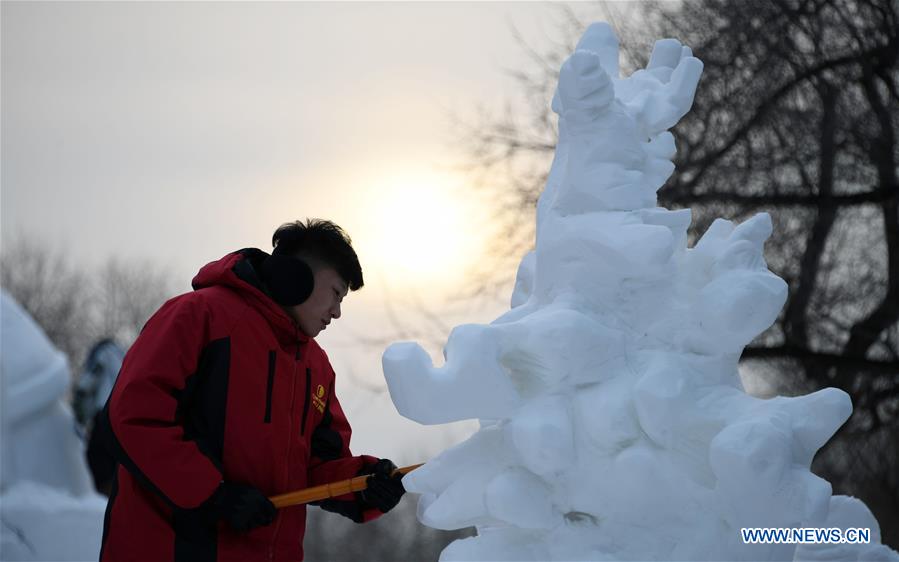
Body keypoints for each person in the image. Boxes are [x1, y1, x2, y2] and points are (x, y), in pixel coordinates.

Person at [97, 219, 406, 562]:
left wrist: (364, 485)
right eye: (336, 293)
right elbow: (133, 417)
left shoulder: (317, 368)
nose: (337, 312)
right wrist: (213, 495)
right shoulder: (199, 316)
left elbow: (320, 466)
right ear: (297, 276)